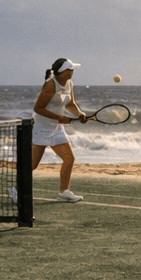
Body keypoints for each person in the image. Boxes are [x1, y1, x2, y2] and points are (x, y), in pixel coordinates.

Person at [29, 58, 91, 202]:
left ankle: (64, 192)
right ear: (63, 71)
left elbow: (70, 104)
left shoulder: (69, 84)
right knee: (33, 164)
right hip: (41, 127)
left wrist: (80, 114)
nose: (72, 72)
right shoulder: (50, 85)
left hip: (56, 128)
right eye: (70, 69)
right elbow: (38, 108)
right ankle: (16, 189)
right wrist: (59, 118)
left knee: (69, 158)